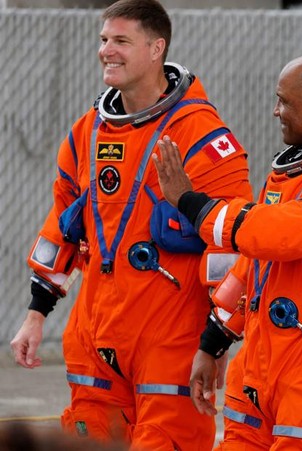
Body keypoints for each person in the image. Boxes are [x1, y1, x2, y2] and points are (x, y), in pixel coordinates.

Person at [9, 0, 253, 449]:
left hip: (169, 336)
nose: (107, 51)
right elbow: (62, 225)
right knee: (89, 438)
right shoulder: (88, 131)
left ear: (156, 47)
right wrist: (35, 315)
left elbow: (233, 245)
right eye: (104, 40)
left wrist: (217, 336)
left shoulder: (201, 135)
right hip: (95, 333)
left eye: (121, 41)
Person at [153, 53, 302, 449]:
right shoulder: (293, 174)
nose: (275, 110)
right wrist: (213, 342)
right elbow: (254, 266)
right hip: (260, 369)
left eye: (284, 101)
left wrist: (192, 204)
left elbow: (283, 234)